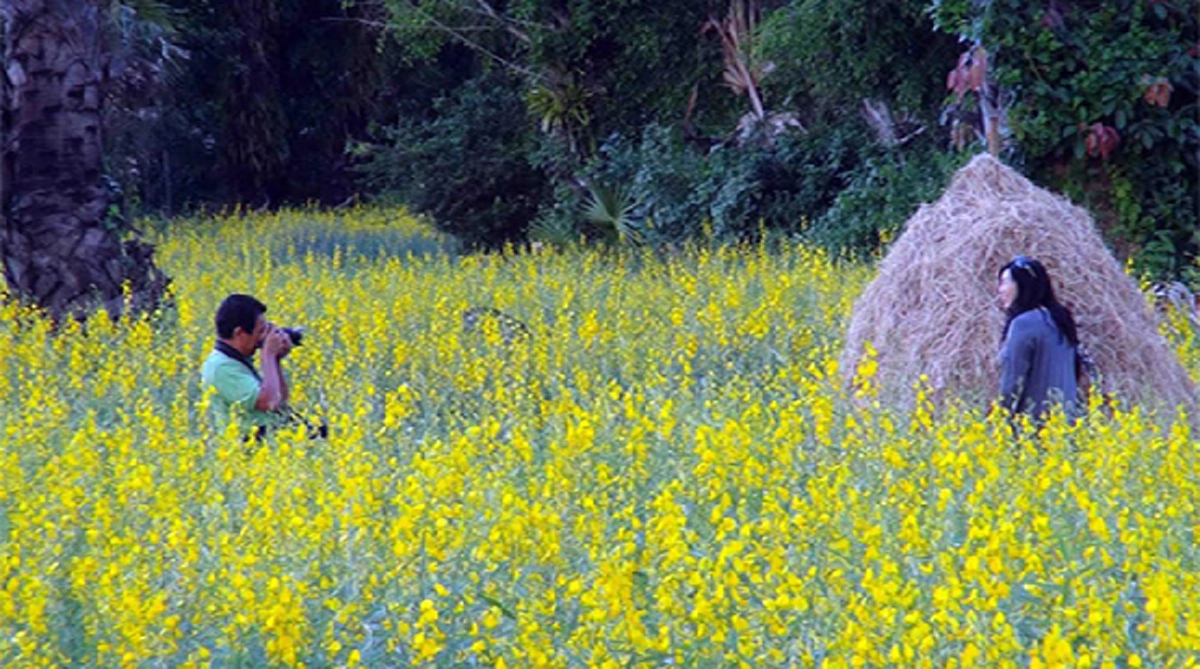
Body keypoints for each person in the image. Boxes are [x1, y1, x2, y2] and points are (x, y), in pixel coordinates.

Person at [997, 256, 1081, 425]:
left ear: (1023, 286)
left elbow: (1012, 383)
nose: (1000, 290)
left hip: (1034, 426)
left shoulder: (1024, 323)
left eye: (1005, 282)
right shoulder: (1061, 319)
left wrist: (999, 420)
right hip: (1067, 425)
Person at [201, 293, 293, 438]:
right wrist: (267, 355)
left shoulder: (236, 360)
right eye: (261, 331)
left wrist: (275, 359)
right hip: (248, 448)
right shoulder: (221, 367)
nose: (264, 338)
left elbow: (280, 402)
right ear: (239, 333)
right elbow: (268, 403)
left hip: (269, 439)